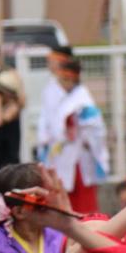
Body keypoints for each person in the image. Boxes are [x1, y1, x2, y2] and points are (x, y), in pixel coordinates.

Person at [36, 53, 109, 214]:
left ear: (74, 79)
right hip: (58, 153)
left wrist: (78, 124)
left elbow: (95, 126)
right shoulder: (52, 92)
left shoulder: (83, 98)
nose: (64, 83)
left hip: (78, 156)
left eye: (67, 79)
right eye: (62, 79)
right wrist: (45, 138)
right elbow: (46, 120)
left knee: (83, 202)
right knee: (60, 196)